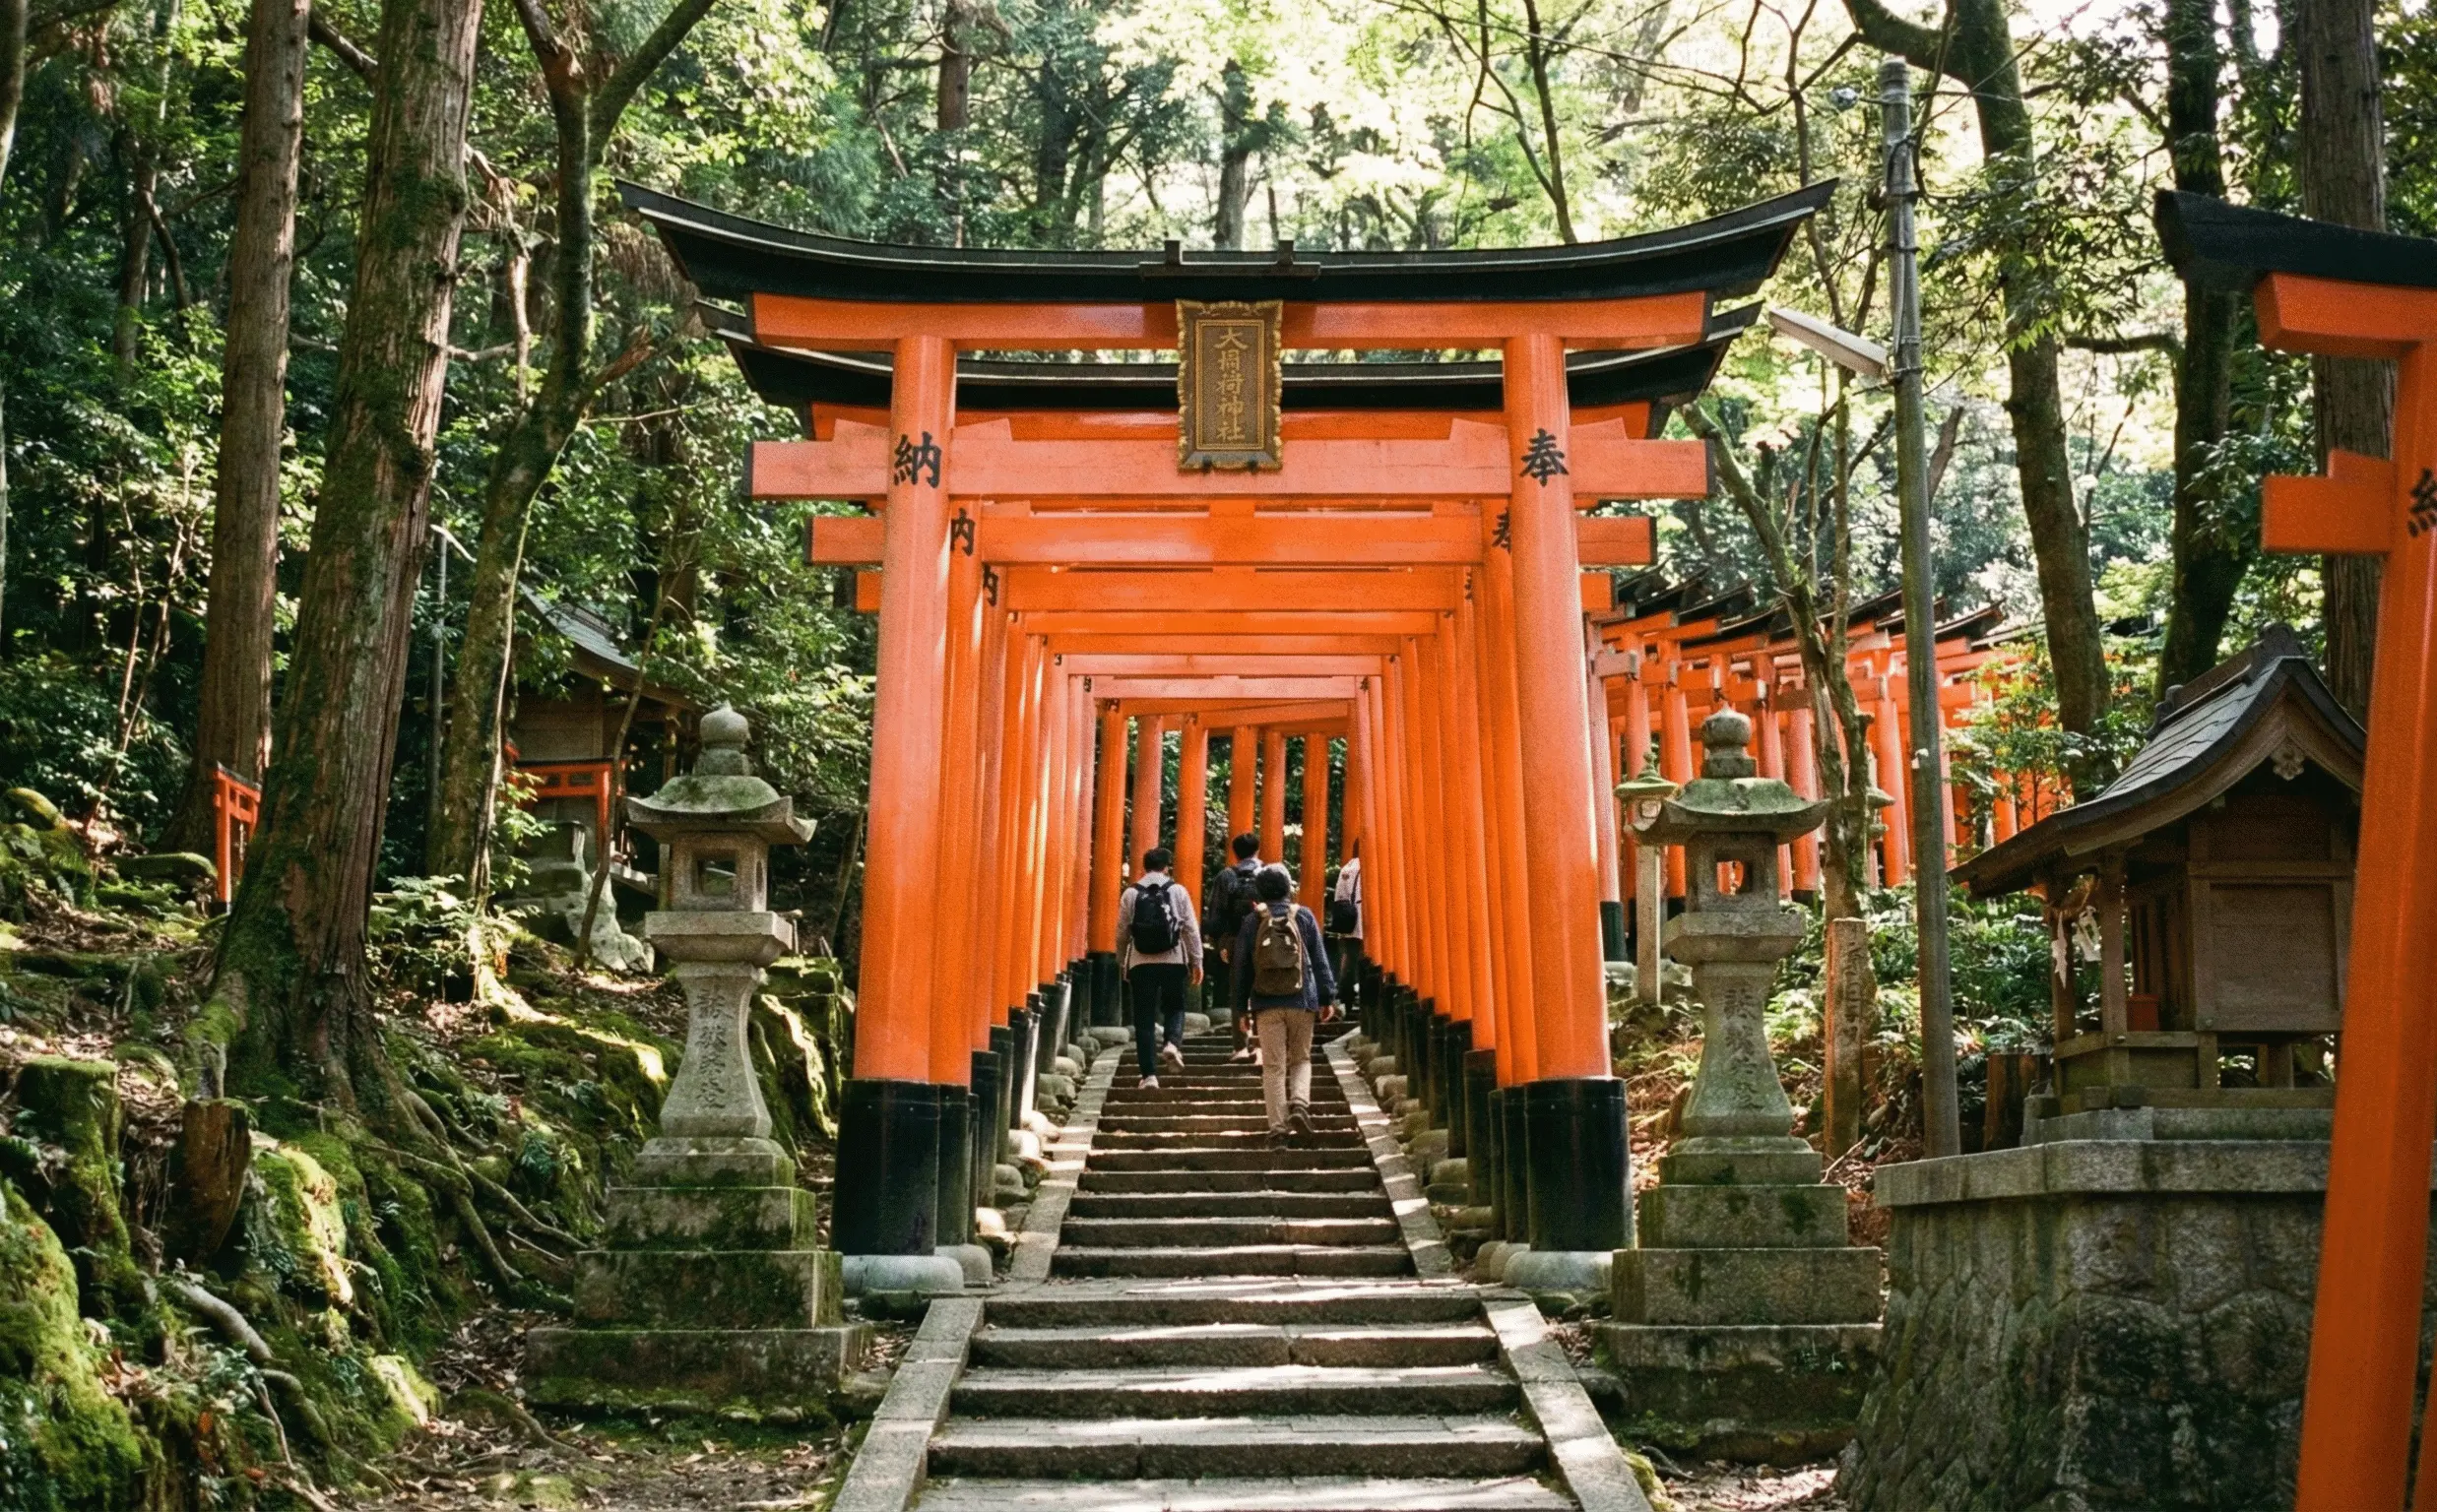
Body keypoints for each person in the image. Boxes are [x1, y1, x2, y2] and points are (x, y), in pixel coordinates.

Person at [1232, 864, 1338, 1144]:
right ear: (1289, 888)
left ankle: (1278, 1129)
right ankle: (1300, 1103)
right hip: (1303, 999)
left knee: (1273, 1066)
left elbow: (1241, 968)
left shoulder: (1252, 921)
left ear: (1261, 892)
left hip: (1266, 1003)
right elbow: (1319, 959)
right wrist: (1327, 998)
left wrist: (1240, 1010)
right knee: (1301, 1058)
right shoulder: (1303, 916)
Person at [1116, 847, 1200, 1086]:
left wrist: (1123, 961)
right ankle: (1172, 1043)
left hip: (1141, 963)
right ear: (1167, 866)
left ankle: (1149, 1075)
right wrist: (1197, 960)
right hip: (1173, 960)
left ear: (1144, 867)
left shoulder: (1131, 893)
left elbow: (1122, 932)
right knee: (1175, 1007)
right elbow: (1190, 928)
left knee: (1143, 1018)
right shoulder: (1177, 891)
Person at [1203, 832, 1263, 1061]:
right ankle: (1260, 1047)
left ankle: (1240, 1046)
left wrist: (1219, 943)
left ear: (1234, 852)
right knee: (1262, 990)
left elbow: (1216, 913)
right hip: (1264, 939)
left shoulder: (1226, 876)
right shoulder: (1268, 873)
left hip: (1236, 940)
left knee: (1238, 991)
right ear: (1258, 850)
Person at [1329, 840, 1364, 991]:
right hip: (1362, 917)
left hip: (1347, 916)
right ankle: (1360, 990)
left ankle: (1344, 992)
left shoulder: (1346, 868)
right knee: (1363, 956)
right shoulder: (1366, 866)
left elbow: (1339, 896)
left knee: (1348, 955)